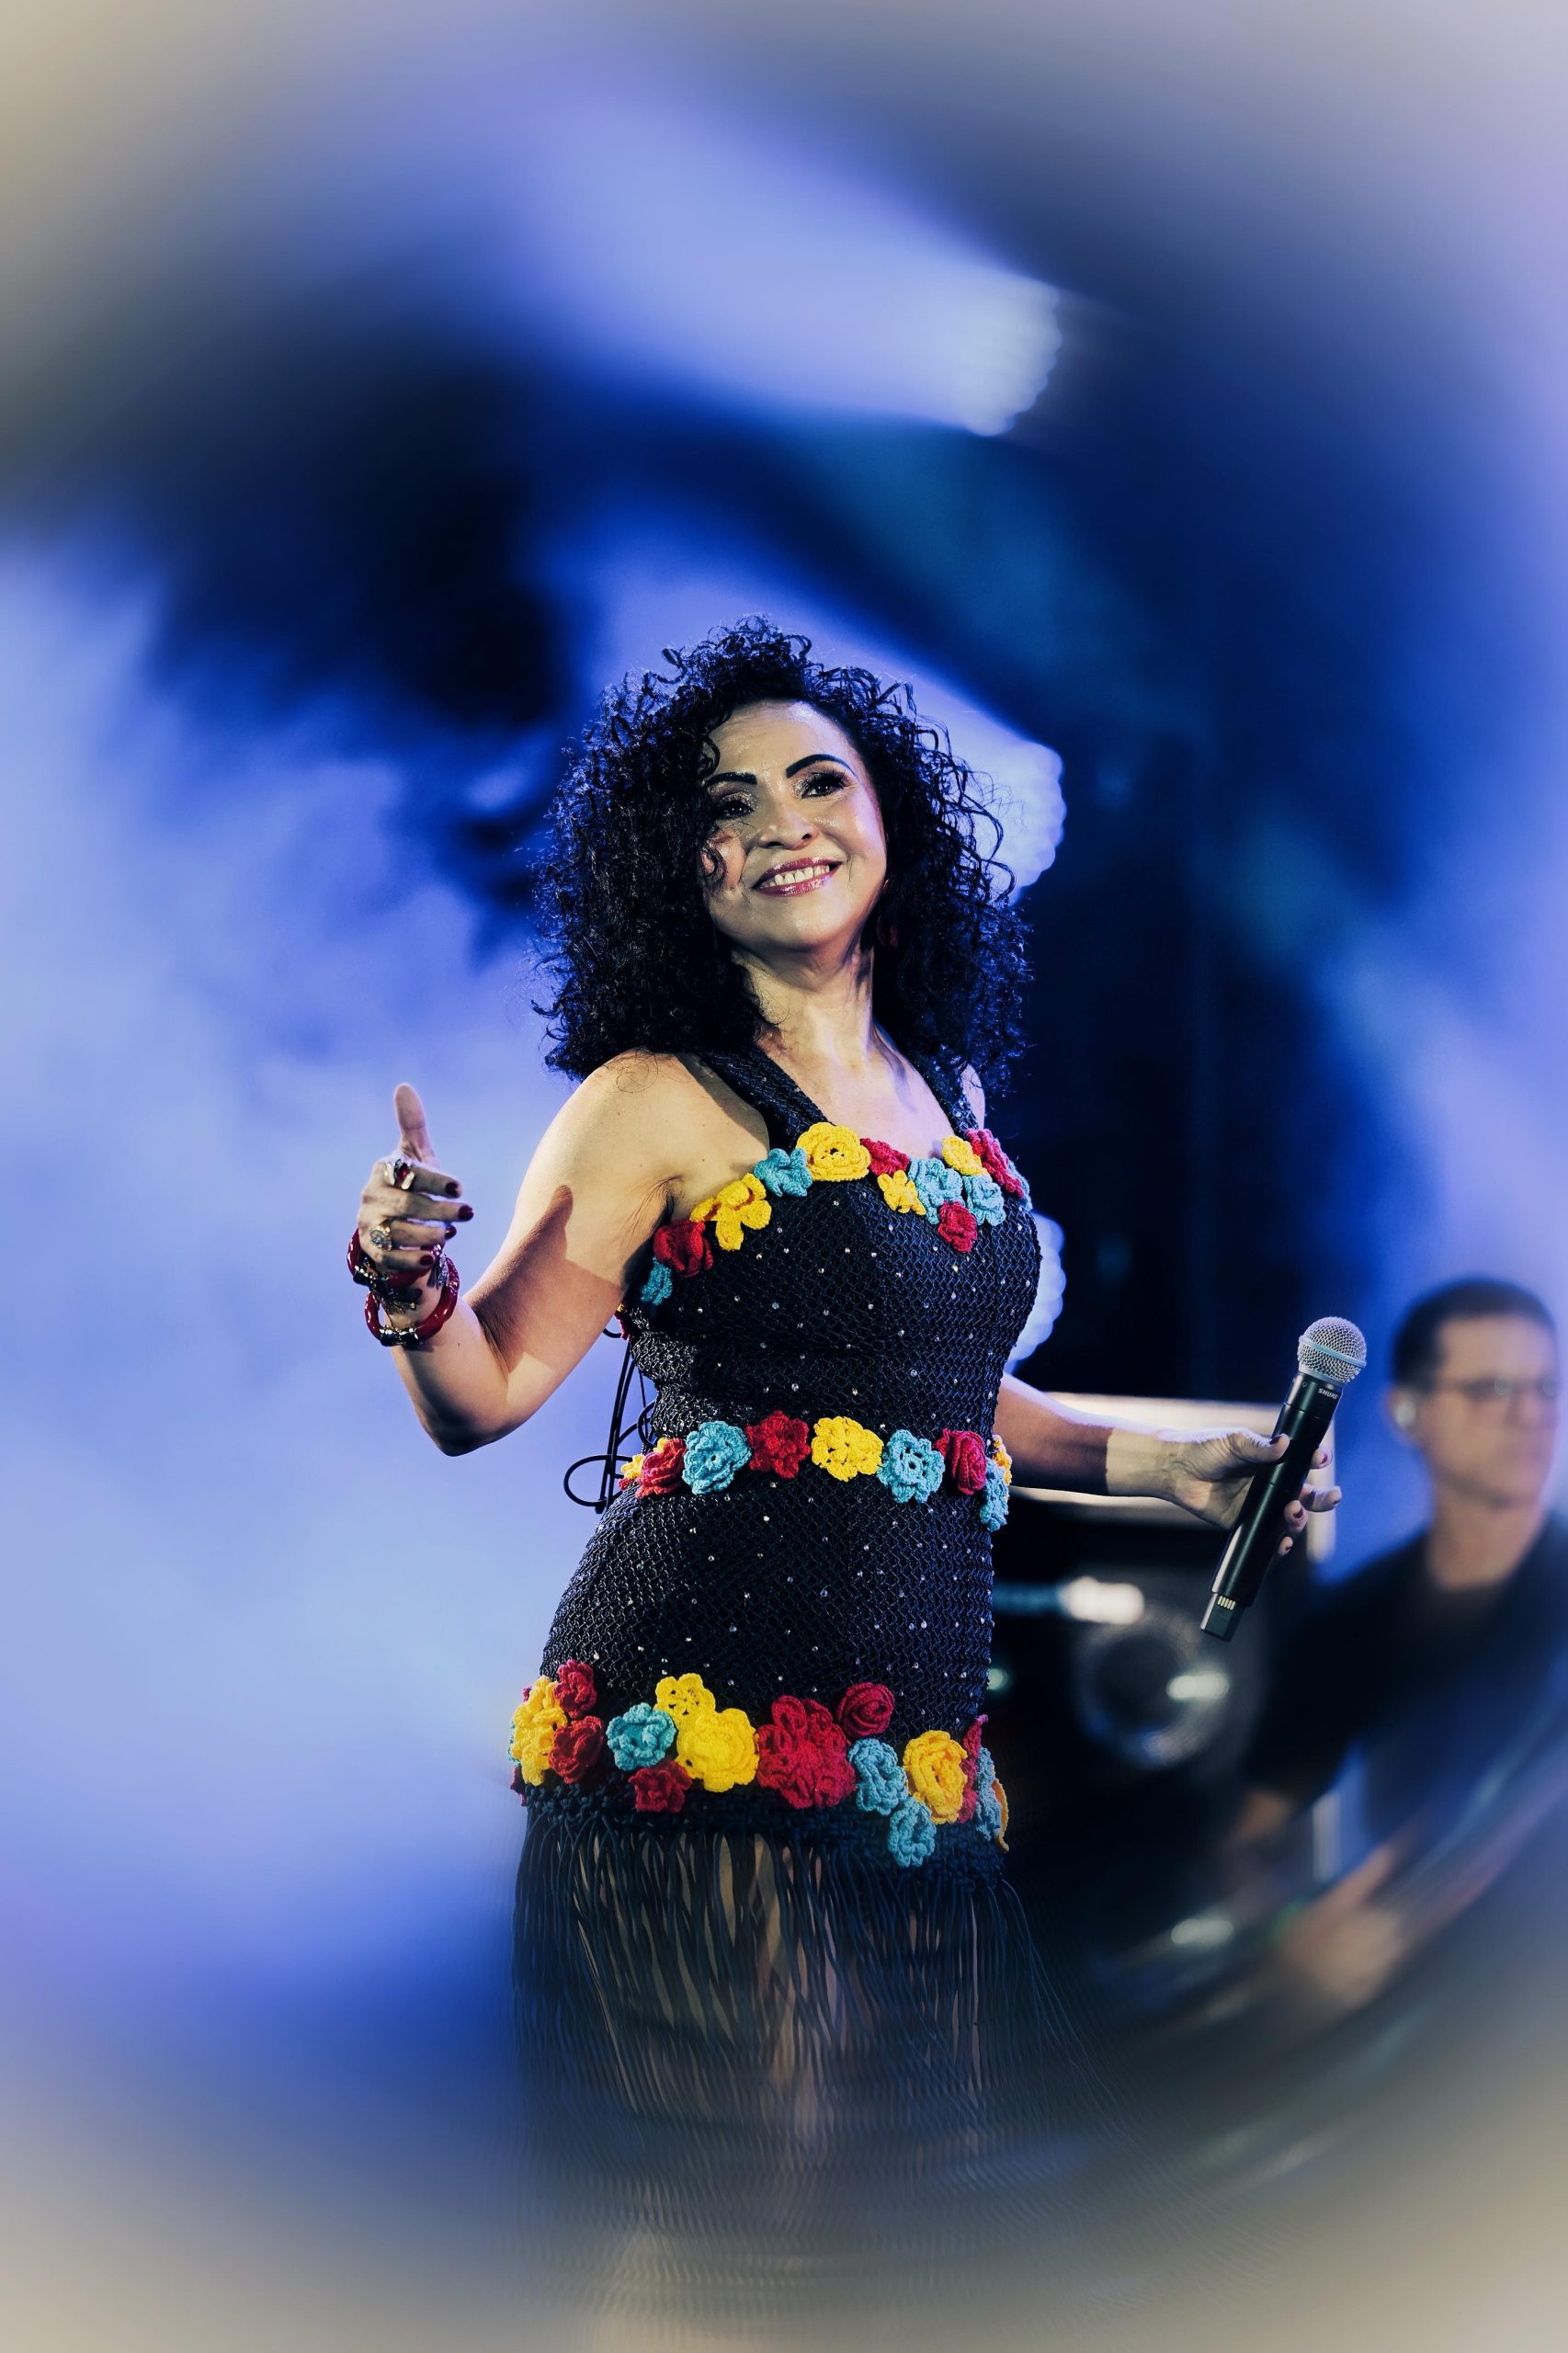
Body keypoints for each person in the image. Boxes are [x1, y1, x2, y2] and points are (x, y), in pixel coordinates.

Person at [348, 620, 1337, 2308]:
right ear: (682, 870)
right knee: (735, 2230)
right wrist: (403, 1283)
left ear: (892, 821)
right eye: (727, 808)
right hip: (704, 1725)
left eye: (819, 782)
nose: (782, 824)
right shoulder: (651, 1100)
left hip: (908, 1757)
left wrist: (1181, 1469)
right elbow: (483, 1388)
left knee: (893, 2241)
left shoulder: (943, 1094)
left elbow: (949, 1404)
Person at [1231, 1279, 1568, 2020]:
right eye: (1491, 1389)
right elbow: (1242, 1847)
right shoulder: (1349, 1622)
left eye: (1546, 1387)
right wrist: (1291, 1935)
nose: (1530, 1415)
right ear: (1408, 1412)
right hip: (1424, 2025)